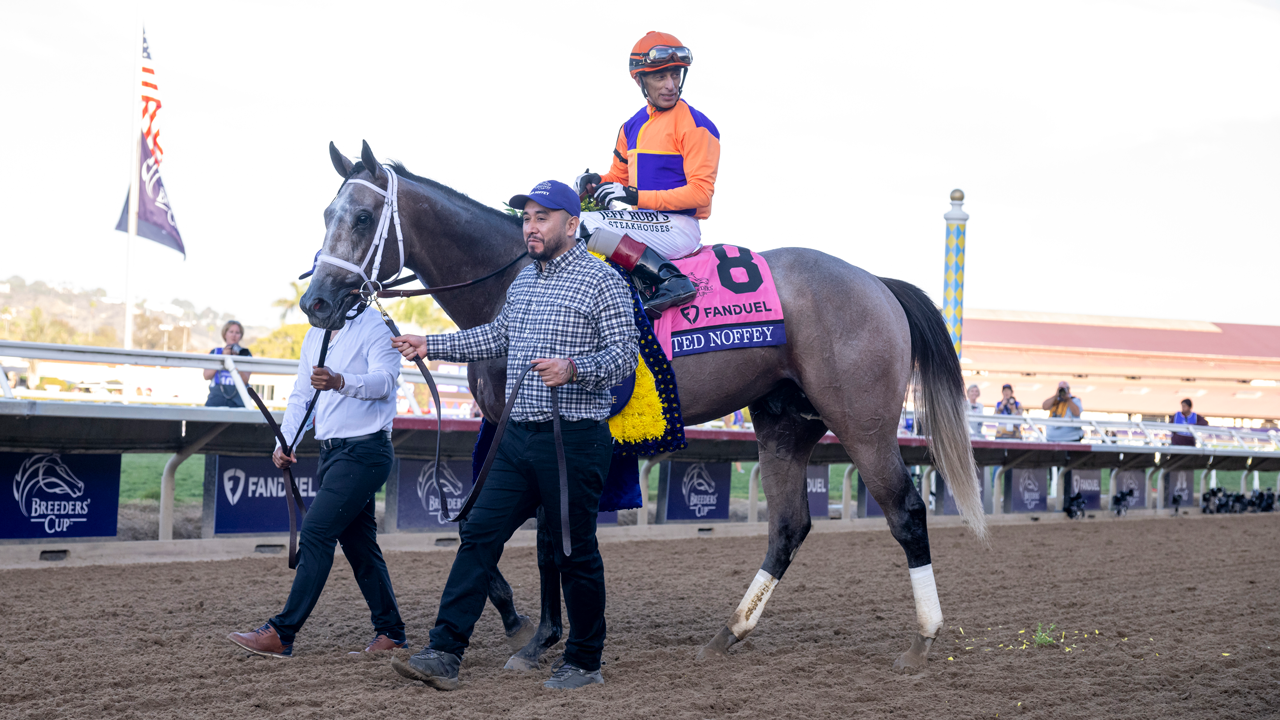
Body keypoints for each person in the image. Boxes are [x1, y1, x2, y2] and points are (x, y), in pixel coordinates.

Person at [388, 180, 638, 691]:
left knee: (573, 550)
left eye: (542, 217)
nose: (530, 226)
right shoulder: (523, 283)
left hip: (575, 440)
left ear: (571, 225)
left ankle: (585, 661)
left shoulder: (603, 280)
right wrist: (429, 343)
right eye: (526, 217)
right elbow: (496, 336)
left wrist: (575, 368)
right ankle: (443, 652)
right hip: (517, 438)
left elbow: (622, 358)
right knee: (478, 534)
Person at [226, 302, 407, 658]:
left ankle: (282, 632)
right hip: (332, 454)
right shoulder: (315, 335)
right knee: (359, 545)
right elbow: (301, 396)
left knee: (316, 532)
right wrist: (285, 441)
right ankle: (392, 633)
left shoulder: (376, 326)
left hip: (366, 452)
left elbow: (386, 383)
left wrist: (341, 381)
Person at [575, 31, 720, 318]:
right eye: (660, 77)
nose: (671, 86)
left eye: (675, 76)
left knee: (580, 225)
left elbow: (701, 194)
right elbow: (619, 178)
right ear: (640, 80)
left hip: (679, 227)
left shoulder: (697, 126)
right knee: (573, 221)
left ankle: (672, 279)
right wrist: (595, 184)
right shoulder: (631, 126)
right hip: (647, 223)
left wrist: (635, 196)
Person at [203, 320, 252, 407]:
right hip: (216, 400)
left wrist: (236, 360)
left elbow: (245, 381)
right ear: (225, 334)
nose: (234, 335)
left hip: (238, 402)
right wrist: (222, 357)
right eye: (231, 332)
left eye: (237, 332)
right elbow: (206, 376)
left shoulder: (245, 354)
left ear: (241, 336)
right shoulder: (216, 352)